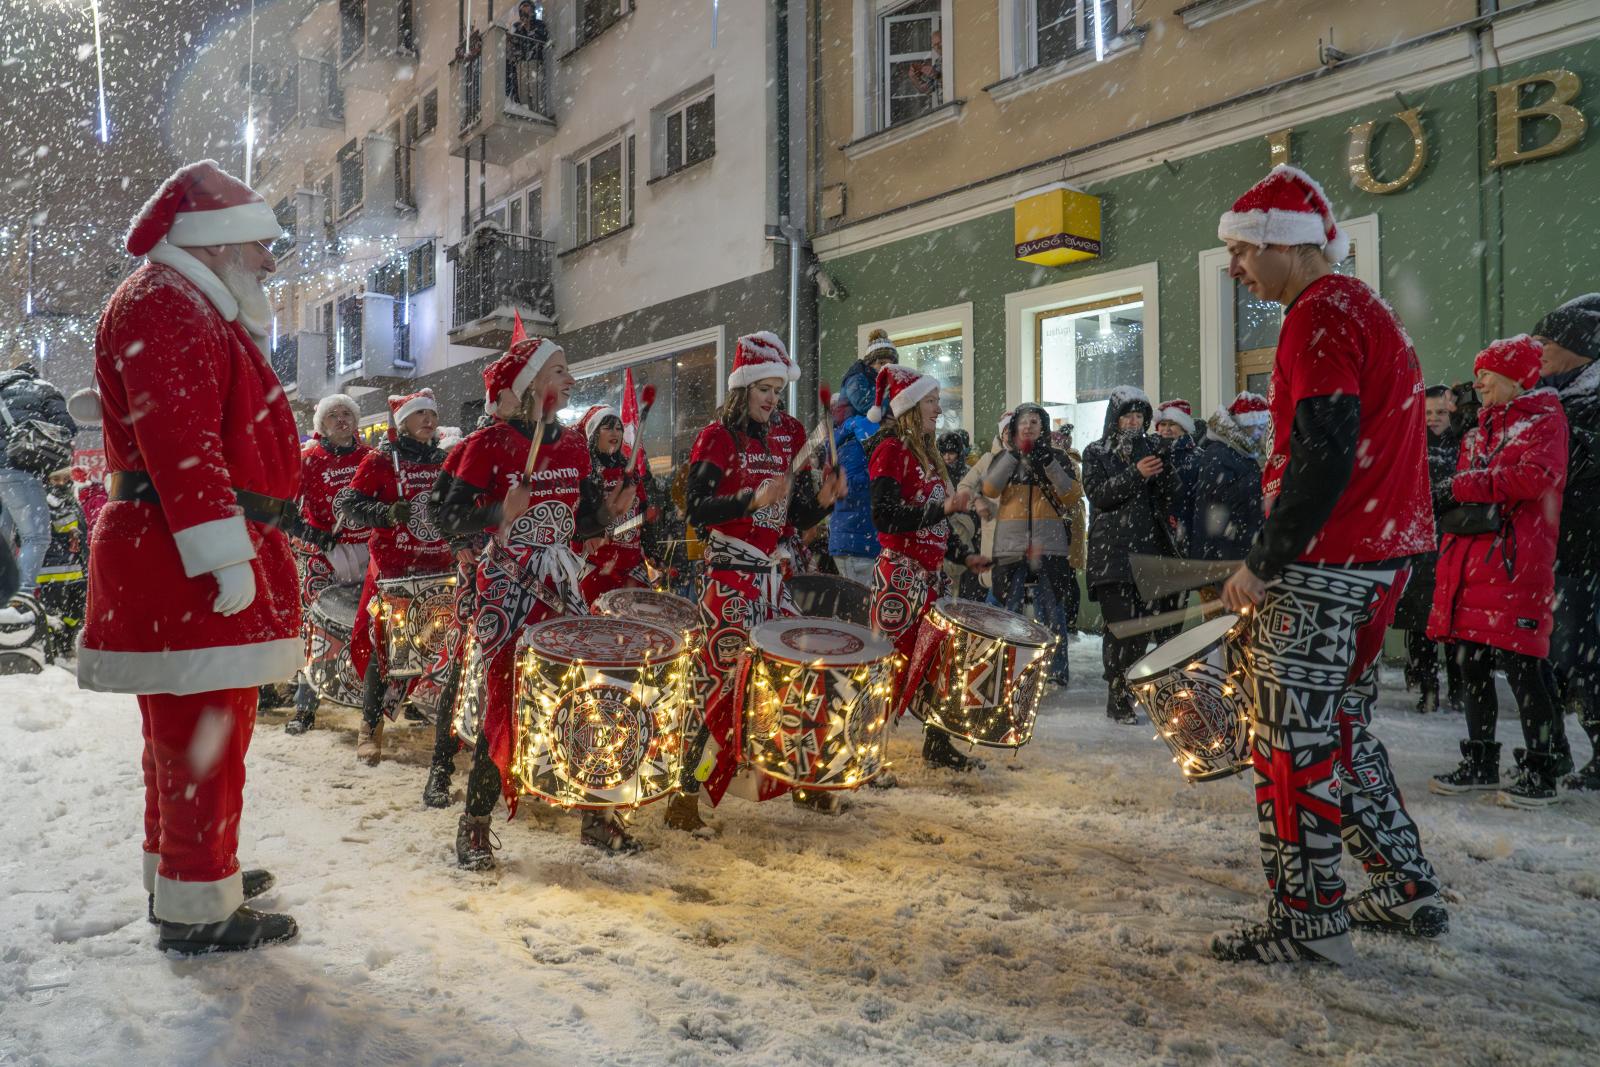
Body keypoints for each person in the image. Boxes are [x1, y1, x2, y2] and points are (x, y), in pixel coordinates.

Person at [1213, 165, 1444, 965]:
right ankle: (1405, 884)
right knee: (1340, 731)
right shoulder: (1364, 309)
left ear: (1287, 245)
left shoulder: (1318, 315)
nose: (1236, 267)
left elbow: (1324, 448)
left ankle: (1308, 924)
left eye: (1243, 250)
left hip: (1325, 563)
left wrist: (1266, 560)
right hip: (1374, 560)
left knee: (1287, 745)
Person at [79, 160, 303, 954]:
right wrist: (225, 555)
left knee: (188, 738)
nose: (270, 263)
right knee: (204, 738)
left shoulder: (179, 304)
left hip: (179, 554)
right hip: (185, 561)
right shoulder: (167, 305)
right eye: (258, 245)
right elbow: (182, 449)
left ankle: (191, 870)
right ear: (213, 244)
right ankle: (198, 907)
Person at [429, 338, 619, 862]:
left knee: (587, 691)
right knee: (505, 701)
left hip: (563, 585)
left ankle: (596, 816)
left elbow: (582, 520)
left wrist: (605, 515)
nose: (571, 380)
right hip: (508, 588)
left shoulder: (577, 445)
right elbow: (441, 516)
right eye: (560, 371)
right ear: (532, 384)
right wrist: (495, 513)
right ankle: (475, 823)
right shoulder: (488, 443)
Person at [669, 333, 844, 829]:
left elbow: (794, 513)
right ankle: (685, 795)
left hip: (771, 577)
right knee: (717, 688)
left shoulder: (789, 433)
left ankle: (801, 780)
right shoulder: (717, 437)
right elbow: (696, 510)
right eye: (762, 389)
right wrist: (749, 501)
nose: (771, 398)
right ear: (741, 388)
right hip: (727, 578)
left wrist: (824, 501)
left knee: (802, 673)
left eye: (776, 389)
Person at [1428, 337, 1569, 807]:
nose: (1479, 381)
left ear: (1514, 376)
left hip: (1517, 564)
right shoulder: (1478, 429)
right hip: (1473, 565)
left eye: (1487, 372)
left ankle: (1543, 769)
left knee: (1524, 668)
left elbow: (1535, 478)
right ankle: (1482, 762)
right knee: (1472, 665)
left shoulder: (1544, 420)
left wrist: (1464, 485)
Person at [865, 366, 988, 769]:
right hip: (899, 577)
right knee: (889, 666)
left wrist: (964, 555)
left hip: (929, 579)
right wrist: (941, 508)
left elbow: (937, 521)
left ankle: (937, 742)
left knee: (944, 659)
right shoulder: (891, 451)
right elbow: (885, 516)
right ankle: (867, 753)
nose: (939, 408)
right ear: (910, 407)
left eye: (937, 401)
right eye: (931, 401)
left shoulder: (930, 455)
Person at [337, 389, 454, 765]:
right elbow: (350, 505)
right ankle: (370, 727)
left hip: (440, 569)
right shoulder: (380, 460)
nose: (428, 421)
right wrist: (386, 514)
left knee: (441, 647)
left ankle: (439, 722)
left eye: (432, 415)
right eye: (420, 414)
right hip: (393, 572)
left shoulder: (445, 461)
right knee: (384, 648)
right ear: (402, 422)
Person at [1532, 294, 1600, 791]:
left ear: (1576, 348)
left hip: (1587, 550)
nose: (1538, 353)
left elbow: (1570, 468)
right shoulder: (1557, 397)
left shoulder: (1584, 404)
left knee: (1585, 653)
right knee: (1572, 656)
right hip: (1566, 549)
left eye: (1546, 343)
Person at [1082, 387, 1179, 724]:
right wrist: (1136, 473)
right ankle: (1117, 692)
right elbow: (1099, 495)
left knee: (1140, 630)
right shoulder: (1095, 452)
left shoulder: (1153, 448)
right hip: (1111, 553)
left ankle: (1131, 686)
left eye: (1139, 416)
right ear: (1115, 418)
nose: (1134, 422)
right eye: (1127, 416)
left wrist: (1167, 470)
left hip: (1148, 553)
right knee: (1120, 626)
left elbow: (1169, 497)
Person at [283, 392, 372, 735]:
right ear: (321, 423)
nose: (341, 420)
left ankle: (375, 704)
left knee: (372, 626)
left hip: (366, 551)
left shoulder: (371, 458)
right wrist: (314, 535)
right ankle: (305, 708)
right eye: (333, 415)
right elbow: (285, 512)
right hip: (323, 555)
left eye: (346, 414)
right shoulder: (308, 459)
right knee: (317, 632)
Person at [981, 403, 1081, 687]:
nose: (1028, 427)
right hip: (1010, 546)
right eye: (1022, 422)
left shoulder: (1058, 458)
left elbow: (1071, 495)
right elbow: (989, 489)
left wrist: (1048, 461)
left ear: (1043, 428)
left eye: (1034, 422)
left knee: (1051, 611)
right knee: (1007, 610)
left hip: (1049, 545)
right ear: (1013, 429)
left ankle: (1056, 670)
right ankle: (1005, 668)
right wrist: (1013, 457)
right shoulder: (1003, 457)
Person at [1394, 386, 1462, 714]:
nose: (1434, 419)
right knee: (1421, 620)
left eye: (1441, 413)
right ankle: (1426, 683)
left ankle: (1458, 685)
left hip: (1453, 542)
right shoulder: (1411, 445)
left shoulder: (1463, 445)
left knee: (1454, 621)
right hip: (1421, 545)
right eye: (1429, 413)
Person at [0, 362, 78, 602]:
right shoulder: (42, 388)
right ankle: (19, 600)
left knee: (4, 537)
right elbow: (67, 428)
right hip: (20, 471)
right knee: (37, 537)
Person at [831, 329, 897, 585]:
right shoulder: (857, 380)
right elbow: (872, 407)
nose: (886, 368)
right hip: (856, 543)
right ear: (870, 364)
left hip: (868, 542)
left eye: (891, 364)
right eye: (881, 363)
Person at [576, 403, 656, 604]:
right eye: (608, 427)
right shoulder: (584, 472)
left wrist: (653, 549)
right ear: (594, 433)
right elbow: (578, 524)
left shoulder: (630, 472)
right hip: (597, 567)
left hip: (632, 568)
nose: (615, 433)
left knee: (640, 630)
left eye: (619, 428)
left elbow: (643, 512)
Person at [1186, 392, 1269, 578]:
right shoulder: (1218, 453)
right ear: (1243, 425)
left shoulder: (1242, 454)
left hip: (1233, 549)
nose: (1261, 433)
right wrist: (1260, 480)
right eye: (1259, 427)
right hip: (1222, 554)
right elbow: (1218, 499)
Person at [35, 468, 88, 663]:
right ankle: (53, 650)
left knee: (77, 611)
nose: (62, 482)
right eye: (57, 479)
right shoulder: (43, 500)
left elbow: (80, 530)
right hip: (53, 570)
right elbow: (64, 525)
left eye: (66, 478)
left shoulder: (70, 499)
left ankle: (66, 643)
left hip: (77, 568)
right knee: (54, 613)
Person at [1155, 399, 1200, 551]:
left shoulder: (1197, 457)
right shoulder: (1151, 453)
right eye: (1163, 424)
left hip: (1187, 525)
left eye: (1172, 424)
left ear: (1184, 428)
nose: (1166, 429)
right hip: (1157, 530)